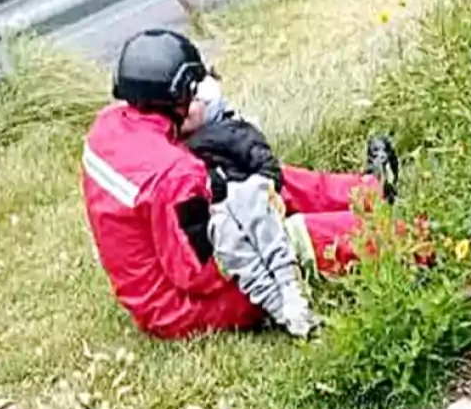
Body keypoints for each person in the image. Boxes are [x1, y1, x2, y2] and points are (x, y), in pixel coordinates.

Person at [81, 28, 399, 340]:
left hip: (149, 281)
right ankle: (414, 238)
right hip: (181, 306)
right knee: (296, 236)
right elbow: (200, 274)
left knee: (257, 187)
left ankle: (370, 190)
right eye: (192, 91)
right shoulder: (176, 178)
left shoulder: (109, 126)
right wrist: (259, 230)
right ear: (177, 98)